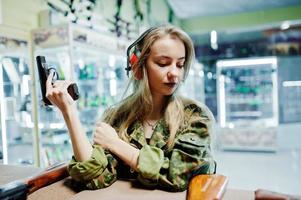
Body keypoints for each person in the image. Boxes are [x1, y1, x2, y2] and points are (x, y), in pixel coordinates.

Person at [46, 24, 216, 192]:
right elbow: (93, 176)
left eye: (180, 64)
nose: (175, 73)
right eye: (163, 63)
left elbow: (177, 176)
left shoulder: (196, 116)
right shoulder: (117, 117)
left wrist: (115, 144)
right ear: (137, 67)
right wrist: (69, 112)